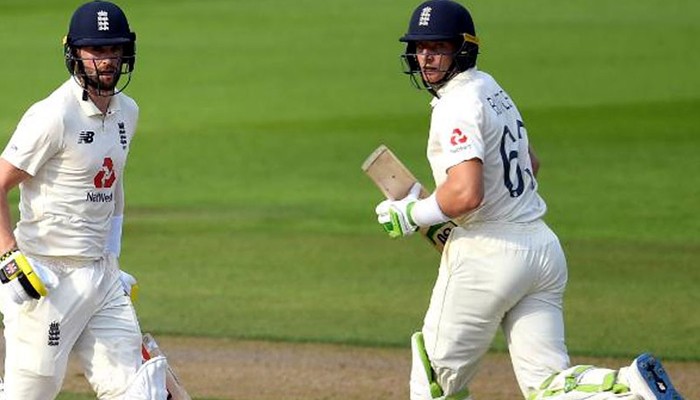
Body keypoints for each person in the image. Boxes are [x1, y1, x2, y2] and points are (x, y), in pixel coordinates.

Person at [374, 1, 684, 399]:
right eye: (420, 47)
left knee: (433, 384)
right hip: (542, 250)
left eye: (438, 47)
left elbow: (467, 192)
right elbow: (530, 163)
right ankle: (628, 386)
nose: (426, 56)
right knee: (548, 386)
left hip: (487, 256)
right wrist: (450, 210)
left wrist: (411, 214)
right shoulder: (491, 89)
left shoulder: (456, 105)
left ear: (462, 49)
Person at [0, 1, 167, 399]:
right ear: (74, 53)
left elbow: (113, 187)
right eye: (95, 50)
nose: (106, 60)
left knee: (137, 389)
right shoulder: (53, 116)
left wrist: (111, 256)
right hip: (48, 279)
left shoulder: (127, 112)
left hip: (102, 276)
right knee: (31, 393)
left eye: (113, 49)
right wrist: (8, 259)